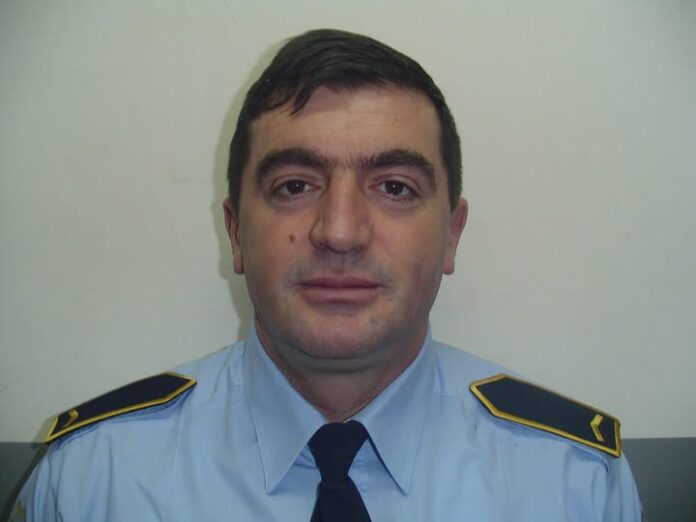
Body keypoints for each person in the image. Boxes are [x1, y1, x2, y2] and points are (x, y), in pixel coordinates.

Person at [12, 29, 643, 521]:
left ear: (452, 233)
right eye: (294, 185)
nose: (340, 232)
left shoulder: (575, 482)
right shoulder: (93, 479)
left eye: (394, 187)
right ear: (236, 232)